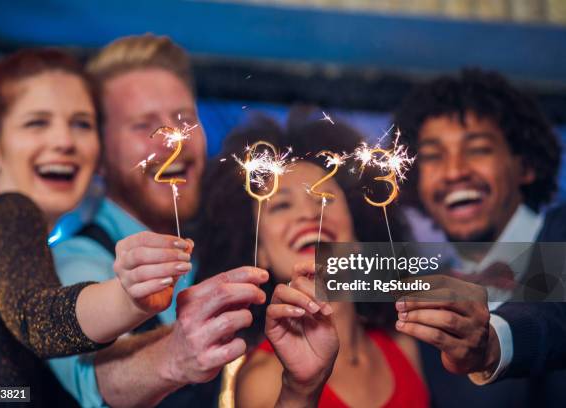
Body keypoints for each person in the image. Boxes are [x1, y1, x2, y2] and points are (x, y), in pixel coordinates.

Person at [0, 49, 193, 406]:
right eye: (37, 122)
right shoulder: (7, 211)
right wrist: (128, 295)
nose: (64, 141)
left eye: (81, 123)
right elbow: (37, 318)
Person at [48, 34, 267, 407]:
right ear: (98, 154)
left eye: (184, 121)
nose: (174, 142)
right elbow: (95, 380)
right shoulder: (75, 260)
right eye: (142, 125)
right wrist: (175, 354)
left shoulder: (225, 241)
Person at [196, 116, 430, 407]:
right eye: (281, 204)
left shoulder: (403, 345)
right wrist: (300, 391)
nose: (309, 214)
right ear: (260, 253)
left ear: (357, 234)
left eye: (324, 199)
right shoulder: (262, 378)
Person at [392, 68, 566, 406]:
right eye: (433, 156)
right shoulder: (418, 294)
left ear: (525, 165)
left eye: (478, 149)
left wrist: (491, 341)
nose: (455, 171)